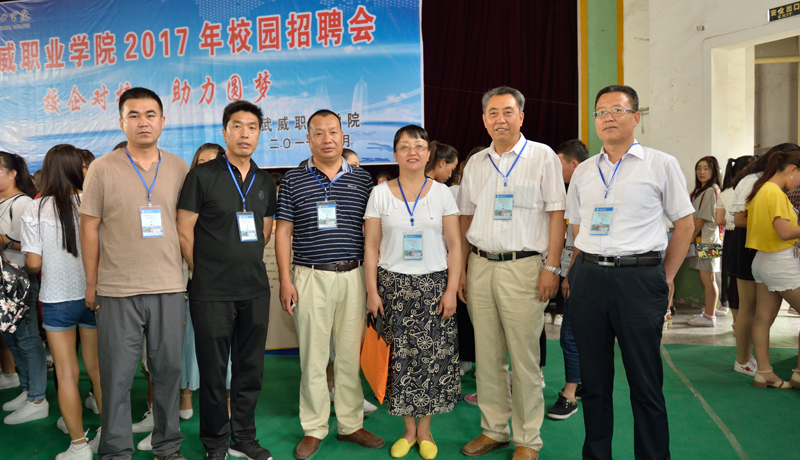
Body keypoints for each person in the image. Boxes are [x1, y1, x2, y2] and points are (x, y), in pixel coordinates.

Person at [563, 85, 694, 460]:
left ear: (636, 117)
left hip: (639, 279)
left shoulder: (660, 164)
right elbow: (577, 227)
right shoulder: (584, 171)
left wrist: (665, 277)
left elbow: (684, 225)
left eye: (616, 110)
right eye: (601, 112)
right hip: (589, 277)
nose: (608, 118)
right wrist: (575, 272)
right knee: (594, 382)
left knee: (645, 382)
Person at [79, 87, 188, 460]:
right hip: (116, 290)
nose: (143, 122)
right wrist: (92, 283)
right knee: (117, 377)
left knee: (168, 373)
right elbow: (89, 227)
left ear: (162, 121)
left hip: (169, 287)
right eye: (134, 115)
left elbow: (187, 226)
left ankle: (167, 447)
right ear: (121, 121)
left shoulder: (179, 167)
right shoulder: (102, 168)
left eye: (150, 114)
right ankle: (115, 450)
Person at [457, 86, 566, 460]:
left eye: (507, 112)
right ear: (484, 119)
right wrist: (463, 270)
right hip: (480, 265)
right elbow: (465, 217)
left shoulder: (542, 156)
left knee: (524, 358)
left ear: (521, 116)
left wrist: (552, 267)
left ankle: (527, 439)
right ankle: (494, 430)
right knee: (487, 357)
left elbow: (557, 215)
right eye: (493, 113)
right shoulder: (476, 163)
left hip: (525, 267)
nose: (500, 119)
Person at [275, 109, 383, 460]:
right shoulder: (293, 180)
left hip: (353, 276)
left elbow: (373, 234)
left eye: (333, 132)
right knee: (314, 357)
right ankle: (314, 427)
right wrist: (285, 279)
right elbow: (283, 233)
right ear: (308, 139)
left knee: (350, 356)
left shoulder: (362, 180)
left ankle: (350, 424)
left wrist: (372, 284)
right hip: (310, 276)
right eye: (319, 133)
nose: (327, 139)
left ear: (342, 136)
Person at [177, 101, 277, 460]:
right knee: (214, 373)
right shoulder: (202, 176)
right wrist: (202, 270)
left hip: (254, 290)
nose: (244, 133)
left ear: (259, 134)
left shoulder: (265, 180)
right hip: (211, 292)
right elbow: (184, 230)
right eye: (237, 126)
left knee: (250, 371)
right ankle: (216, 442)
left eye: (252, 127)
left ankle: (243, 438)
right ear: (225, 132)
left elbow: (265, 231)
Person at [363, 125, 462, 460]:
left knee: (432, 361)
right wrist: (372, 291)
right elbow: (371, 246)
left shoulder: (442, 193)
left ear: (428, 154)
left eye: (419, 146)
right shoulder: (380, 194)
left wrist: (451, 290)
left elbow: (454, 245)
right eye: (405, 146)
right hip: (393, 288)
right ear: (395, 154)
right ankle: (408, 432)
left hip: (434, 287)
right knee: (401, 361)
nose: (412, 152)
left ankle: (425, 431)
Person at [21, 144, 101, 459]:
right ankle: (109, 435)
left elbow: (33, 263)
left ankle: (79, 446)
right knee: (98, 370)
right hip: (94, 296)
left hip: (56, 300)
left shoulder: (35, 208)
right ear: (78, 169)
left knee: (66, 373)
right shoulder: (93, 201)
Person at [729, 144, 800, 377]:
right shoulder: (775, 193)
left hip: (761, 261)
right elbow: (784, 232)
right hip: (779, 261)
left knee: (761, 318)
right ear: (792, 169)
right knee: (758, 316)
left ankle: (765, 372)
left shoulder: (761, 189)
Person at [0, 151, 48, 426]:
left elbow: (31, 246)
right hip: (3, 282)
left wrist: (4, 240)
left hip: (19, 281)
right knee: (11, 338)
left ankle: (38, 399)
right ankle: (28, 389)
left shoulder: (24, 203)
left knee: (28, 339)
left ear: (12, 173)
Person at [544, 139, 588, 421]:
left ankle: (569, 394)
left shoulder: (583, 189)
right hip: (582, 269)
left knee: (570, 335)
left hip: (583, 271)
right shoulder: (573, 189)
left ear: (573, 163)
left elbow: (581, 240)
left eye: (557, 164)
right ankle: (581, 383)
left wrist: (569, 275)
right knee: (579, 335)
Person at [715, 156, 756, 331]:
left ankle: (736, 322)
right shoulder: (752, 188)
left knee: (734, 280)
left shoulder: (725, 192)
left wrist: (731, 221)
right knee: (749, 280)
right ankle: (748, 322)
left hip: (731, 238)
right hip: (747, 235)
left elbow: (719, 220)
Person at [687, 156, 723, 327]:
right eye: (699, 168)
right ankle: (709, 312)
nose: (701, 172)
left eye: (706, 168)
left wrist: (689, 240)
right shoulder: (704, 190)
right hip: (707, 240)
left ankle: (709, 316)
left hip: (708, 241)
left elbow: (700, 221)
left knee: (708, 279)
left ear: (713, 171)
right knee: (708, 278)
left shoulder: (710, 191)